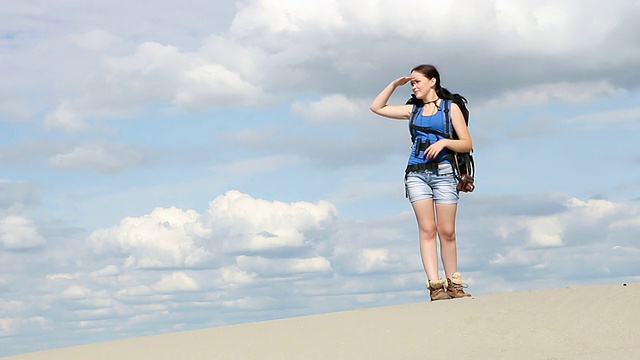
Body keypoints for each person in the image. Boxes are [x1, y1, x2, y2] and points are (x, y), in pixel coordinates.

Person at [369, 64, 473, 301]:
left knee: (447, 231)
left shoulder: (450, 108)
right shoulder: (412, 109)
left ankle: (454, 284)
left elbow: (467, 143)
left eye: (417, 81)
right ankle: (435, 287)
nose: (413, 86)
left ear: (432, 81)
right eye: (412, 82)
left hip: (445, 173)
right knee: (427, 229)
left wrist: (445, 143)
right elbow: (376, 107)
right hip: (416, 174)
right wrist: (395, 85)